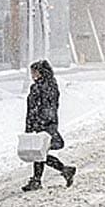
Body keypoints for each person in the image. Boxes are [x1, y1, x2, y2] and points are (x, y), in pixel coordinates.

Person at [22, 60, 77, 191]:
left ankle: (38, 180)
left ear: (42, 72)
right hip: (41, 124)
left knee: (40, 153)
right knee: (40, 153)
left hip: (44, 125)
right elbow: (32, 108)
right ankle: (63, 171)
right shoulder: (41, 86)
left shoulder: (46, 87)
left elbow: (48, 108)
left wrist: (40, 123)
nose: (32, 75)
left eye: (35, 72)